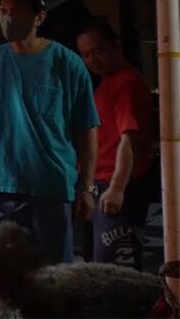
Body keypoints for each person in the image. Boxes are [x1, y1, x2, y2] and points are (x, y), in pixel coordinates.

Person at [0, 0, 99, 272]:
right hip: (0, 187)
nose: (8, 17)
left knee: (51, 279)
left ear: (39, 17)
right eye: (3, 10)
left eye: (17, 10)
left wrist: (87, 187)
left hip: (50, 187)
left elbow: (86, 129)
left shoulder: (68, 64)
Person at [76, 19, 153, 269]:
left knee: (116, 272)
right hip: (99, 186)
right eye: (86, 54)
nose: (92, 59)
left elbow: (128, 139)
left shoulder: (126, 83)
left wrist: (118, 187)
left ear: (115, 46)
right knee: (97, 267)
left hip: (117, 189)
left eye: (98, 50)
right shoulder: (107, 82)